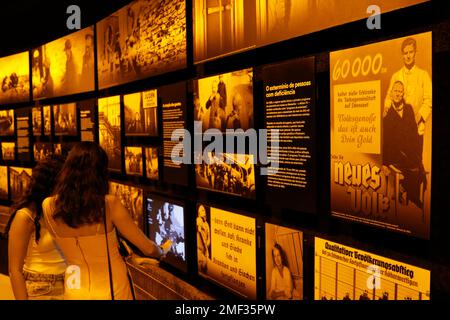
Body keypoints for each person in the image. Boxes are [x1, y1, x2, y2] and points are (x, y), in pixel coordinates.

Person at [41, 142, 164, 300]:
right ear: (100, 172)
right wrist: (161, 251)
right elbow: (148, 249)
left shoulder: (48, 206)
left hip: (74, 290)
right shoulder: (108, 204)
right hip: (113, 290)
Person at [7, 157, 66, 300]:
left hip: (70, 283)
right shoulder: (25, 216)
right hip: (41, 287)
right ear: (51, 184)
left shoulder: (63, 210)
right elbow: (14, 270)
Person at [383, 81, 426, 208]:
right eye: (395, 91)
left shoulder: (409, 109)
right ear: (391, 94)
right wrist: (385, 163)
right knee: (414, 167)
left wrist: (416, 151)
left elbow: (413, 132)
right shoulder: (387, 116)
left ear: (403, 94)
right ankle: (408, 194)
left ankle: (403, 190)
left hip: (408, 152)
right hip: (395, 155)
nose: (398, 93)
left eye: (400, 91)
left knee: (418, 166)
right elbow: (386, 141)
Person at [384, 37, 432, 151]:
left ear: (415, 53)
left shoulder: (423, 75)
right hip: (398, 131)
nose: (408, 56)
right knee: (398, 163)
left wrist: (419, 117)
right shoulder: (396, 76)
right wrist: (386, 110)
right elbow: (388, 98)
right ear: (402, 55)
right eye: (405, 53)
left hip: (417, 127)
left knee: (416, 164)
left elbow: (429, 100)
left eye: (411, 52)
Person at [197, 205, 210, 274]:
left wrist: (206, 247)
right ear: (199, 213)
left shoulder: (207, 224)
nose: (204, 212)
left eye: (204, 210)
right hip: (199, 251)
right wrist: (205, 247)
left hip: (205, 252)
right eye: (202, 210)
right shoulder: (198, 220)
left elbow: (208, 238)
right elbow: (199, 231)